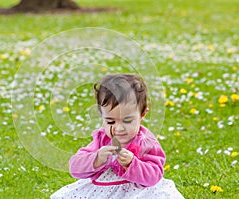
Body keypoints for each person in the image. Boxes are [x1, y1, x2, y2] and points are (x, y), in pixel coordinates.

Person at [51, 74, 184, 198]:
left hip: (137, 192)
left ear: (142, 114)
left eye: (127, 121)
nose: (119, 128)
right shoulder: (101, 139)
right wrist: (97, 158)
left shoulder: (146, 142)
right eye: (110, 121)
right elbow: (75, 167)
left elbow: (154, 175)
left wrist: (132, 163)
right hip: (103, 190)